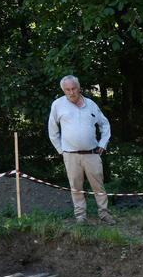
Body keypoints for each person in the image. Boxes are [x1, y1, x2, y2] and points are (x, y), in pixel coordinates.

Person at [47, 75, 115, 225]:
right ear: (63, 90)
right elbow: (52, 131)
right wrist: (61, 150)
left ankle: (104, 214)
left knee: (99, 186)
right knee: (76, 187)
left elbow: (105, 125)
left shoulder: (91, 105)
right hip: (70, 155)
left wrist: (103, 144)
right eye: (67, 90)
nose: (71, 92)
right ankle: (80, 217)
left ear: (79, 88)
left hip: (92, 153)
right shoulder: (58, 105)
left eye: (73, 88)